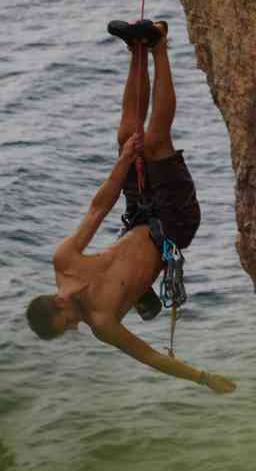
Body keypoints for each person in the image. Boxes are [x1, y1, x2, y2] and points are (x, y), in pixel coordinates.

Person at [25, 20, 236, 394]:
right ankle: (159, 46)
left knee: (128, 137)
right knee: (155, 141)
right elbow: (151, 357)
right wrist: (204, 379)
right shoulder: (104, 323)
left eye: (67, 324)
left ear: (59, 303)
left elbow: (97, 209)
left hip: (140, 214)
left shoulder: (64, 261)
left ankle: (137, 48)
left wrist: (122, 161)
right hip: (173, 225)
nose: (76, 327)